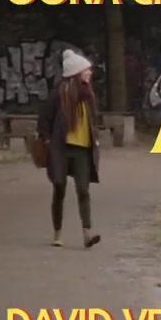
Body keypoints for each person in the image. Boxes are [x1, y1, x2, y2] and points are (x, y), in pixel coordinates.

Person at [38, 49, 101, 248]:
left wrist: (95, 137)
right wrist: (48, 140)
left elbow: (93, 119)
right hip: (61, 148)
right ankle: (57, 233)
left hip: (82, 149)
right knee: (59, 187)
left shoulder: (88, 95)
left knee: (83, 189)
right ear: (76, 73)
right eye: (86, 70)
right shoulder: (59, 94)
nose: (89, 73)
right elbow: (44, 119)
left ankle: (87, 233)